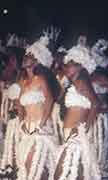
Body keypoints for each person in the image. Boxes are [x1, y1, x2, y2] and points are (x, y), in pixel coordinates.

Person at [1, 36, 61, 180]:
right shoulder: (22, 82)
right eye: (26, 55)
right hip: (27, 129)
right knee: (29, 167)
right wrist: (22, 122)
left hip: (40, 128)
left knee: (36, 165)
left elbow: (49, 102)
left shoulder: (40, 80)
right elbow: (19, 104)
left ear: (36, 61)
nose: (25, 58)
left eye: (30, 56)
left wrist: (41, 125)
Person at [54, 44, 101, 180]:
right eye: (66, 65)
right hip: (70, 134)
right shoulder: (75, 83)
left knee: (60, 173)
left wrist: (84, 128)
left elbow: (96, 104)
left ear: (80, 66)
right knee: (77, 172)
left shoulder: (81, 83)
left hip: (76, 135)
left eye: (71, 65)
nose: (66, 67)